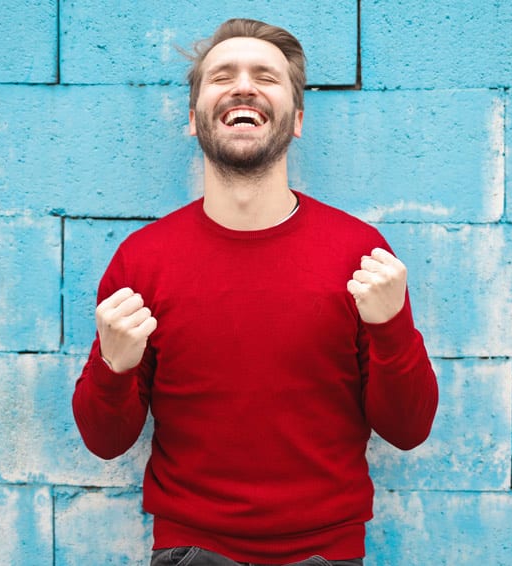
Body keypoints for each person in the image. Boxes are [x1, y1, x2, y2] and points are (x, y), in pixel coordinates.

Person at [72, 18, 438, 566]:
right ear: (195, 120)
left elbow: (408, 430)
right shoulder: (142, 261)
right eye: (223, 76)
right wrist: (114, 367)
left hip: (327, 555)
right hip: (190, 551)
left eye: (265, 76)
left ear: (296, 120)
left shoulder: (360, 254)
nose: (243, 86)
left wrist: (391, 330)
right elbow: (105, 441)